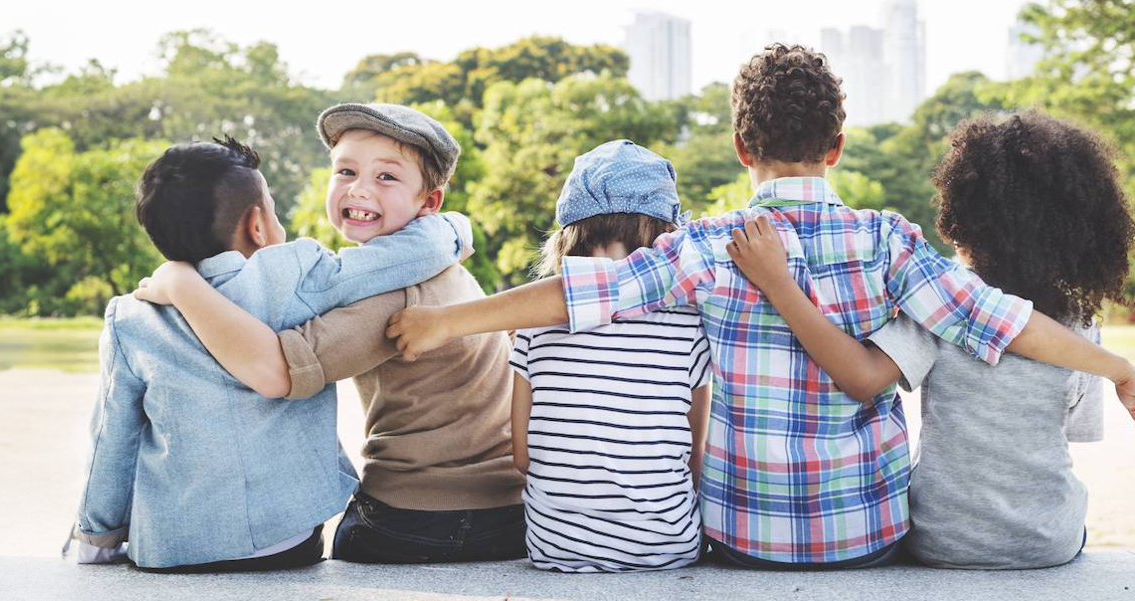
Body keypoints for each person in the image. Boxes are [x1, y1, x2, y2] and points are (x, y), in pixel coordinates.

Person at [382, 44, 1135, 569]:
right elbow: (1000, 320)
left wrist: (449, 318)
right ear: (838, 145)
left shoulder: (711, 244)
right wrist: (1115, 365)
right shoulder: (890, 241)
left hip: (746, 535)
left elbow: (589, 292)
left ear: (742, 146)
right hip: (865, 536)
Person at [723, 111, 1135, 569]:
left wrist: (780, 285)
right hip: (1047, 544)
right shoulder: (1081, 333)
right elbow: (1071, 437)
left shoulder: (933, 312)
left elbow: (862, 377)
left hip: (940, 540)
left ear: (962, 217)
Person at [132, 103, 524, 564]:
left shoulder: (389, 293)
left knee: (335, 538)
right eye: (346, 171)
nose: (359, 189)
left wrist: (182, 283)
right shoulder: (439, 256)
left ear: (429, 202)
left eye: (387, 177)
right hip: (507, 511)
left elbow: (275, 372)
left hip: (423, 515)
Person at [68, 135, 474, 572]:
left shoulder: (129, 317)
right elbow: (408, 255)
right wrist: (454, 225)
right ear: (258, 226)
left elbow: (111, 439)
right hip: (286, 541)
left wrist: (97, 536)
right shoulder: (294, 274)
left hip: (171, 546)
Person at [506, 140, 713, 572]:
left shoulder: (533, 323)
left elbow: (522, 456)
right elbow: (696, 457)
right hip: (666, 548)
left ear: (567, 237)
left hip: (554, 548)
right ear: (665, 239)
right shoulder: (689, 325)